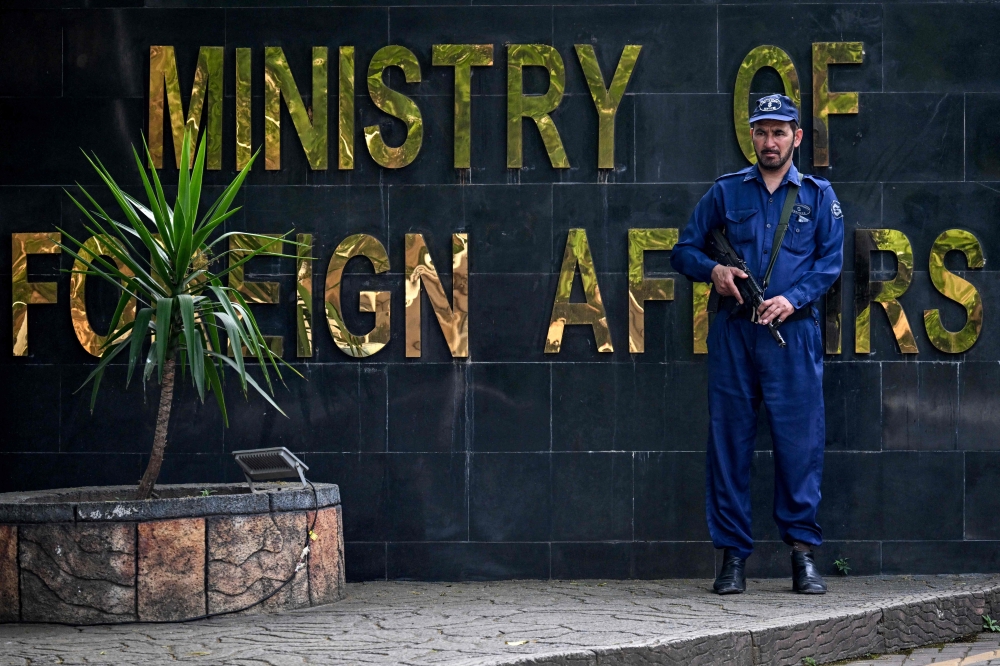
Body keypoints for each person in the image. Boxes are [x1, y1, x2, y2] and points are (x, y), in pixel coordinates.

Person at [670, 94, 844, 595]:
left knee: (800, 444)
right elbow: (683, 250)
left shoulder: (817, 195)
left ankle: (802, 555)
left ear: (796, 137)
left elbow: (830, 264)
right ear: (752, 136)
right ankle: (732, 559)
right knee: (730, 443)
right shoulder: (726, 192)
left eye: (779, 132)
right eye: (762, 132)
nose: (770, 141)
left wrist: (792, 298)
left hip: (793, 335)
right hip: (735, 332)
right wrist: (714, 270)